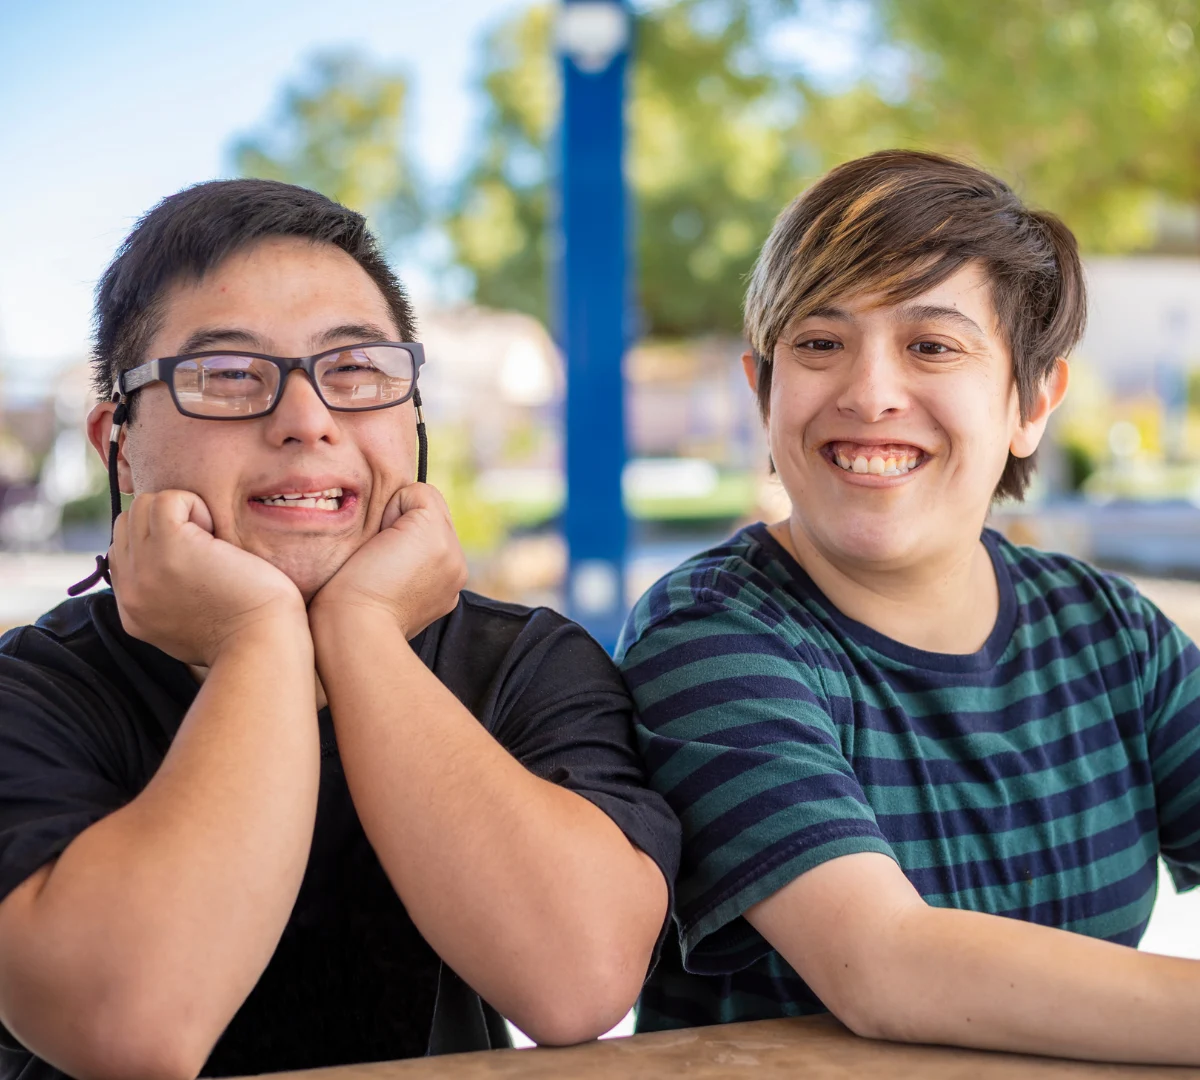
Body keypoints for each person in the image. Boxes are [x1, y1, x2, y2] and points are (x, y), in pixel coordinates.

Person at [0, 179, 679, 1080]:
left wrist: (358, 631)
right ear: (116, 442)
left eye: (356, 371)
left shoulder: (525, 665)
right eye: (230, 376)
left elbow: (577, 981)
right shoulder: (31, 694)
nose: (307, 421)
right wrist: (259, 635)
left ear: (413, 418)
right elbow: (135, 1027)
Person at [617, 149, 1200, 1065]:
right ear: (761, 388)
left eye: (931, 346)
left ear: (1033, 400)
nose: (870, 393)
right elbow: (883, 965)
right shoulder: (710, 635)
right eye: (818, 343)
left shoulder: (1112, 636)